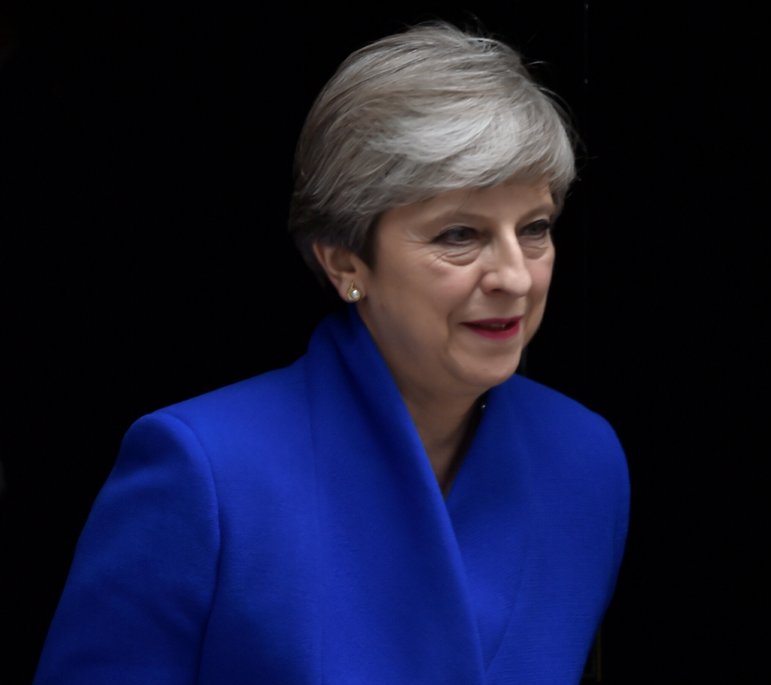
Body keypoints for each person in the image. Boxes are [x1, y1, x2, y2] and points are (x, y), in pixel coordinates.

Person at [33, 20, 630, 685]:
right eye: (460, 234)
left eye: (535, 228)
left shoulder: (584, 459)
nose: (515, 276)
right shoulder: (203, 471)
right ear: (346, 260)